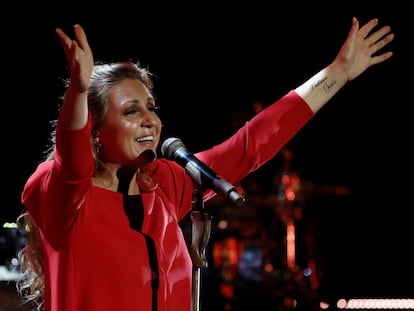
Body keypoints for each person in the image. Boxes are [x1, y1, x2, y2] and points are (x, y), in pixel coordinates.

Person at [16, 16, 394, 311]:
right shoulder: (65, 200)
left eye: (151, 107)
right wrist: (78, 92)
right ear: (95, 130)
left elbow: (253, 144)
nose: (151, 119)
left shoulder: (166, 185)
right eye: (132, 111)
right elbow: (72, 162)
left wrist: (337, 73)